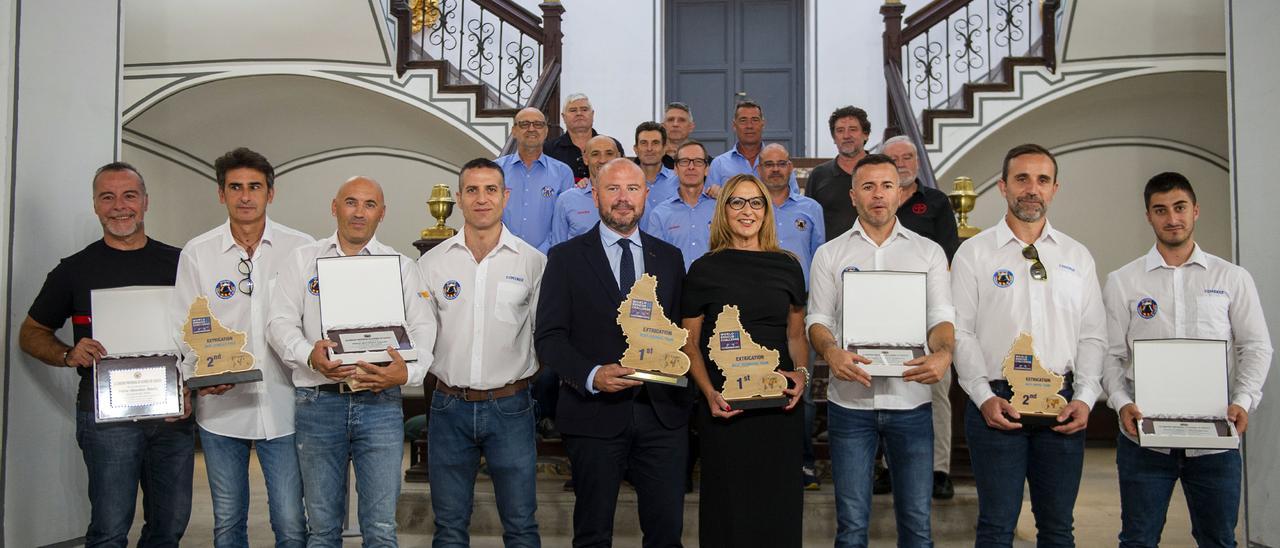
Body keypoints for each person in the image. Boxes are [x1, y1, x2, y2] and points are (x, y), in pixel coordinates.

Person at [18, 162, 193, 546]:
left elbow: (203, 334)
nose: (119, 206)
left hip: (172, 417)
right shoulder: (73, 270)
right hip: (106, 417)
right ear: (96, 206)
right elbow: (30, 334)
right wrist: (68, 354)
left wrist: (193, 389)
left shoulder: (182, 263)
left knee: (170, 528)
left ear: (145, 202)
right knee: (110, 529)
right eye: (107, 197)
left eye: (129, 195)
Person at [1101, 172, 1271, 547]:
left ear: (1195, 211)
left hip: (1215, 442)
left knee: (1218, 539)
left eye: (1179, 208)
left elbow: (1257, 347)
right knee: (1138, 540)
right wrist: (1122, 402)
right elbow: (1110, 356)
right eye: (1160, 210)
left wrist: (1243, 401)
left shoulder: (1232, 278)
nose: (1172, 219)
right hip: (1144, 440)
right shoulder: (1123, 281)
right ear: (1148, 216)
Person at [266, 176, 437, 546]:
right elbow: (279, 322)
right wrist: (308, 354)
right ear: (334, 207)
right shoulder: (302, 260)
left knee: (380, 528)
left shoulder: (401, 266)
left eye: (369, 204)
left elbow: (424, 329)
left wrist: (406, 371)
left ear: (382, 213)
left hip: (380, 406)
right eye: (351, 202)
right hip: (318, 402)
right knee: (323, 528)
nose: (359, 212)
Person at [952, 144, 1105, 546]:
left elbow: (1092, 335)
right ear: (1003, 187)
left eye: (1042, 180)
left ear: (1055, 189)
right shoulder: (974, 253)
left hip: (1063, 404)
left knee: (1057, 528)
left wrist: (1086, 398)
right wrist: (983, 396)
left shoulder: (1077, 256)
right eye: (1021, 179)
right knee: (996, 526)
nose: (1031, 189)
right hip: (997, 403)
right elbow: (961, 333)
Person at [534, 158, 691, 547]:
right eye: (613, 189)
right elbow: (549, 337)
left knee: (666, 533)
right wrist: (591, 375)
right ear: (596, 194)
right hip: (593, 415)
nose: (623, 199)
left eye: (633, 189)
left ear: (646, 195)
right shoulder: (565, 258)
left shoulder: (669, 259)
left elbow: (682, 334)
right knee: (592, 533)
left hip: (662, 415)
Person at [807, 154, 955, 548]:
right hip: (849, 407)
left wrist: (943, 354)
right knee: (851, 528)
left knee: (917, 527)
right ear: (853, 196)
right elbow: (816, 320)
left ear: (901, 194)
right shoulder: (830, 254)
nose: (878, 195)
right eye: (868, 187)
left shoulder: (928, 253)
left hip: (912, 404)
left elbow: (941, 318)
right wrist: (831, 353)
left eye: (887, 186)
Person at [171, 148, 313, 547]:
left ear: (271, 193)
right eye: (236, 187)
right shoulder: (198, 252)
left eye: (255, 187)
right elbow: (185, 325)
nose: (245, 196)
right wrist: (201, 375)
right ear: (222, 194)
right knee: (228, 521)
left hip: (285, 405)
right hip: (221, 408)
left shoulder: (300, 248)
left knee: (290, 521)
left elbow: (312, 320)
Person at [419, 158, 545, 547]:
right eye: (472, 190)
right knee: (450, 528)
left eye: (491, 189)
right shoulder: (431, 264)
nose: (482, 199)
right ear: (458, 198)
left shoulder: (532, 261)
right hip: (448, 406)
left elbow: (545, 333)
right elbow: (420, 338)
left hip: (511, 407)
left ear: (505, 196)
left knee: (521, 525)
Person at [681, 173, 809, 548]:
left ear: (766, 211)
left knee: (779, 507)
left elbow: (796, 335)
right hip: (725, 408)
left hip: (778, 408)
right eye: (737, 202)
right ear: (724, 210)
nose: (747, 210)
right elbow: (689, 344)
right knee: (728, 509)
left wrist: (801, 374)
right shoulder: (704, 269)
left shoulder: (788, 265)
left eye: (756, 202)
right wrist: (708, 394)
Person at [881, 134, 961, 499]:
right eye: (893, 157)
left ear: (917, 161)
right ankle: (886, 468)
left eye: (907, 156)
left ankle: (939, 469)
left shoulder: (937, 203)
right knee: (884, 385)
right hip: (885, 310)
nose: (901, 163)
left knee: (936, 390)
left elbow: (948, 259)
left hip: (929, 311)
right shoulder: (878, 200)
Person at [755, 143, 826, 491]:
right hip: (758, 310)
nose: (775, 169)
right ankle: (768, 460)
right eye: (768, 164)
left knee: (803, 387)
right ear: (759, 169)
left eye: (781, 164)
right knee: (758, 383)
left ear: (790, 168)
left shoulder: (810, 208)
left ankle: (804, 461)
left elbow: (820, 257)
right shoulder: (751, 207)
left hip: (801, 307)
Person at [497, 107, 575, 253]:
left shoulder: (563, 173)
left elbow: (564, 222)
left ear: (545, 131)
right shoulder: (496, 170)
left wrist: (543, 252)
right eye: (524, 124)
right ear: (514, 131)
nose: (531, 129)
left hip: (547, 258)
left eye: (538, 124)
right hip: (502, 254)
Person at [643, 140, 717, 271]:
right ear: (675, 169)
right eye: (684, 162)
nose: (691, 167)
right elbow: (655, 259)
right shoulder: (660, 214)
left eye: (698, 162)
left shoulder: (720, 209)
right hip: (676, 288)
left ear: (706, 169)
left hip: (713, 287)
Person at [806, 106, 872, 238]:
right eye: (840, 131)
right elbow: (810, 220)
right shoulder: (819, 175)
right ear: (834, 137)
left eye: (853, 129)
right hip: (833, 255)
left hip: (876, 252)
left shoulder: (881, 171)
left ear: (866, 134)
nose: (846, 136)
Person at [548, 134, 624, 249]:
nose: (602, 160)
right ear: (585, 159)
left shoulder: (633, 199)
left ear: (618, 157)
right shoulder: (566, 200)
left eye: (609, 153)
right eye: (595, 154)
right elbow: (558, 248)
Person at [706, 101, 798, 194]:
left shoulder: (779, 163)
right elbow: (708, 203)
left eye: (755, 120)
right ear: (734, 125)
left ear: (763, 124)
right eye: (743, 120)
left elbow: (794, 199)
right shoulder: (719, 164)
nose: (749, 126)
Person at [543, 93, 602, 182]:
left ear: (592, 114)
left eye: (584, 109)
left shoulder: (610, 145)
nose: (579, 113)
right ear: (563, 117)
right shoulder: (548, 150)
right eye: (573, 110)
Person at [634, 121, 679, 212]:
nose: (649, 148)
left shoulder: (678, 181)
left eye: (655, 143)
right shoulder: (625, 182)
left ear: (664, 148)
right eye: (644, 143)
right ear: (636, 149)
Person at [661, 101, 696, 168]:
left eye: (681, 120)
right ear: (663, 126)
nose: (675, 124)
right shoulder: (649, 161)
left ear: (691, 127)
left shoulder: (703, 161)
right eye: (670, 120)